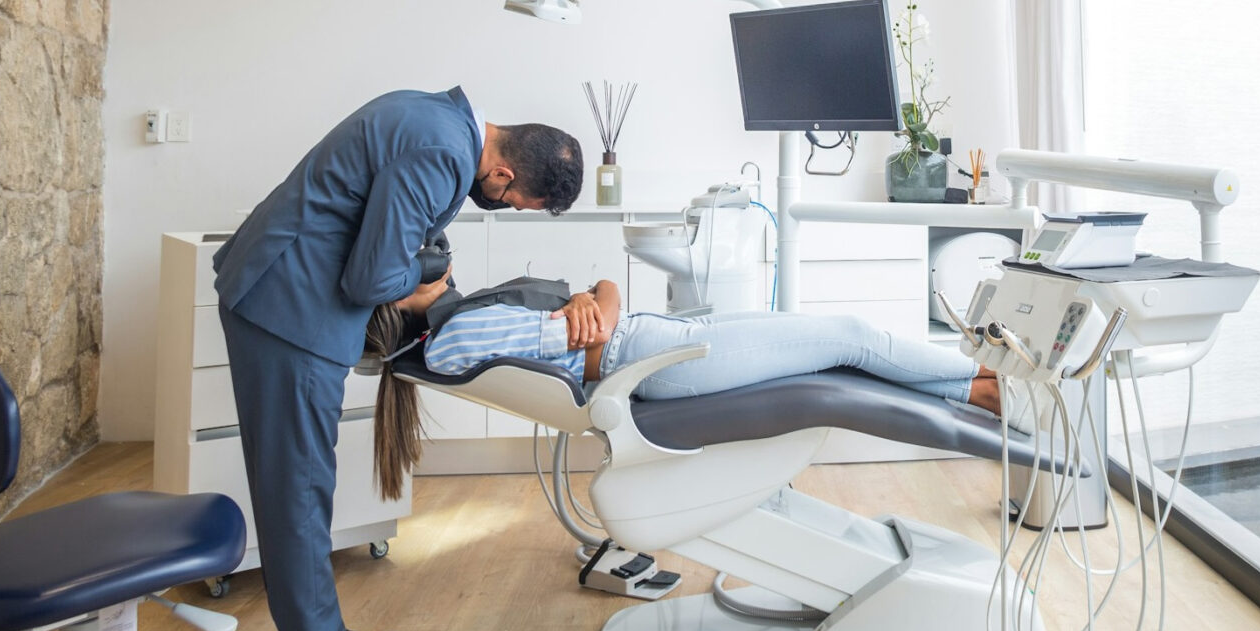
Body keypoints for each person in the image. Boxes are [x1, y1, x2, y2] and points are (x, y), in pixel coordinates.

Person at [212, 86, 583, 631]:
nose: (504, 206)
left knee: (306, 487)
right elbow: (372, 280)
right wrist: (429, 273)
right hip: (287, 309)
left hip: (285, 294)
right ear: (503, 173)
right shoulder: (443, 154)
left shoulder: (437, 116)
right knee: (297, 493)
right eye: (513, 202)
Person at [359, 277, 1008, 500]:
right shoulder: (455, 334)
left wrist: (594, 298)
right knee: (848, 337)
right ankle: (987, 389)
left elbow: (597, 305)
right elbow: (596, 321)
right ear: (394, 298)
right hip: (651, 359)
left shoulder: (455, 322)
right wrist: (594, 298)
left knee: (838, 341)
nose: (430, 254)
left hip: (651, 340)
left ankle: (979, 386)